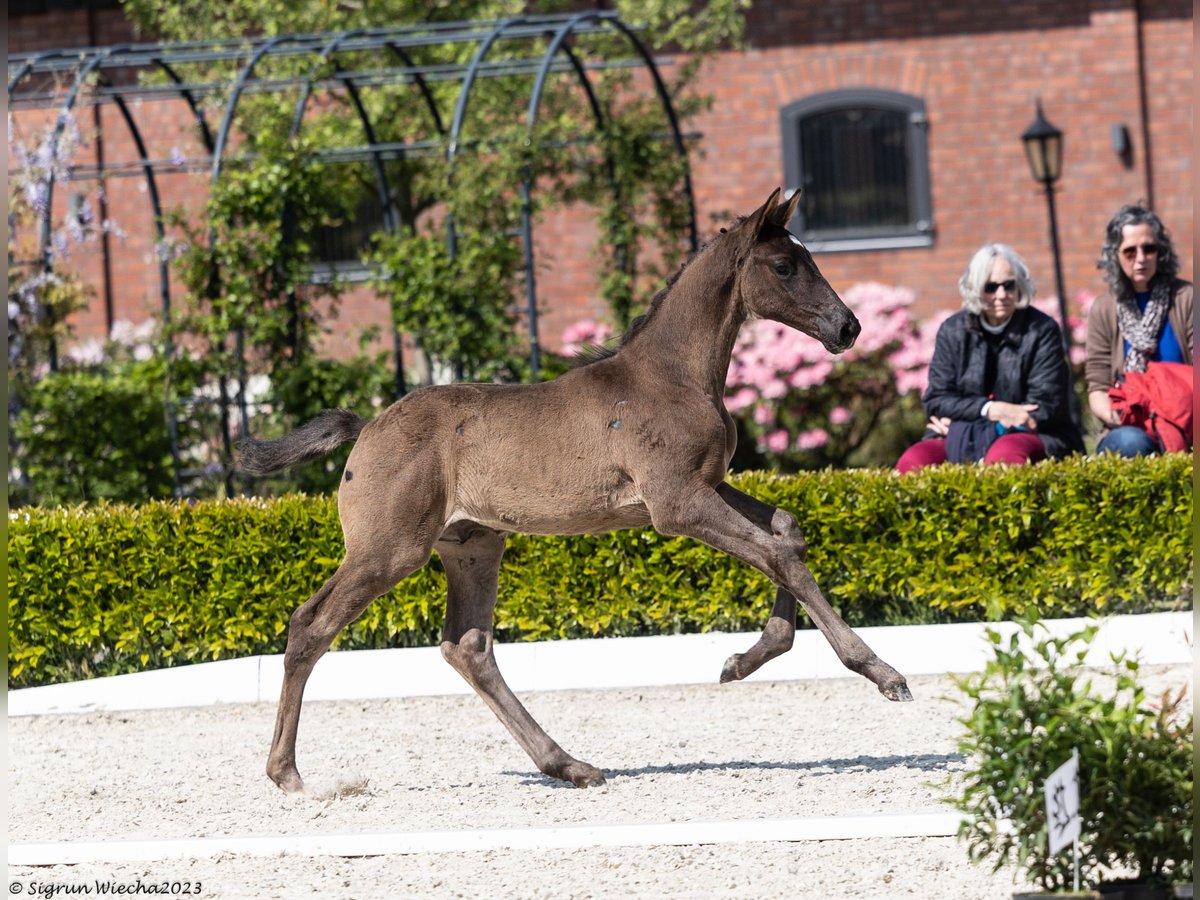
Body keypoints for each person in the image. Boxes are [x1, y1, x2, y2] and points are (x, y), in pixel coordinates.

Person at [896, 243, 1083, 473]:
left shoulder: (1042, 330)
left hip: (1035, 436)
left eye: (1009, 285)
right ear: (976, 289)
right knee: (914, 461)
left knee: (1004, 457)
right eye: (991, 287)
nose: (1001, 295)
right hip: (960, 438)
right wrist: (990, 409)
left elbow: (1044, 407)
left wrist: (961, 424)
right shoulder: (952, 330)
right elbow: (936, 401)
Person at [1085, 204, 1193, 456]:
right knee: (1131, 443)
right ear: (1115, 255)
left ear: (1161, 252)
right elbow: (1098, 384)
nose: (1141, 258)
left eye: (1149, 248)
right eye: (1130, 251)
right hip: (1130, 423)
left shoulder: (1187, 298)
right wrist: (1122, 416)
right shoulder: (1104, 308)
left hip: (1185, 418)